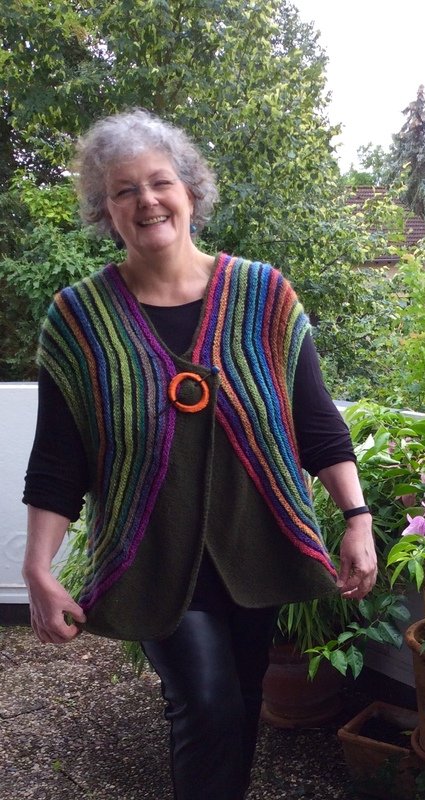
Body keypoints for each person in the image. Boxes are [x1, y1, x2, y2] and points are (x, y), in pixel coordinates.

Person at [21, 108, 377, 800]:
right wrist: (38, 567)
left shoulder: (263, 296)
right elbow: (59, 461)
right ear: (105, 211)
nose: (147, 200)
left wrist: (356, 517)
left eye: (160, 182)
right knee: (207, 704)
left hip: (258, 544)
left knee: (242, 701)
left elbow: (316, 422)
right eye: (124, 191)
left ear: (190, 191)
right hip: (150, 555)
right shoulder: (78, 320)